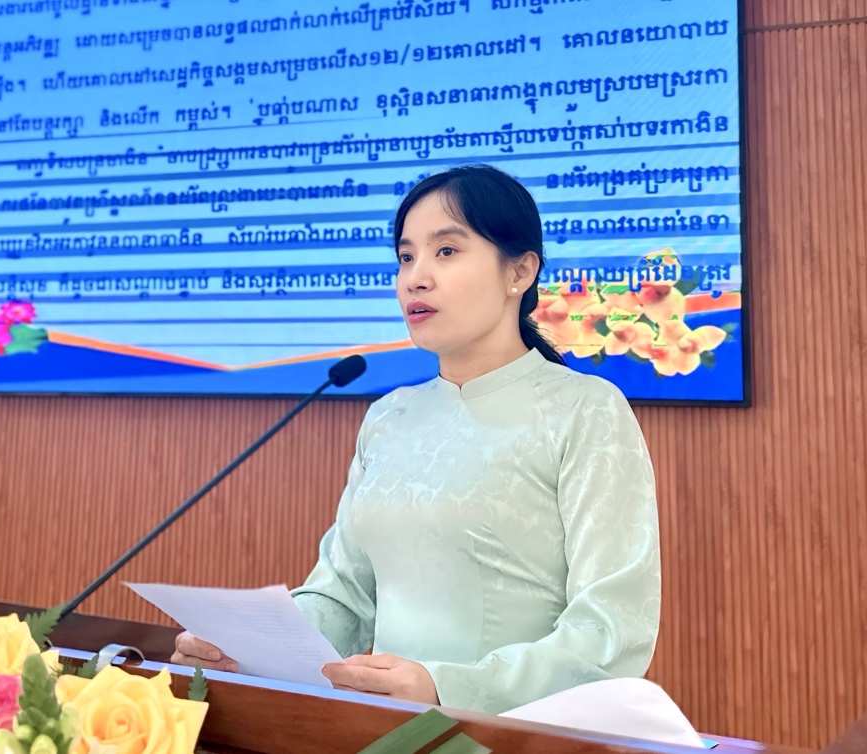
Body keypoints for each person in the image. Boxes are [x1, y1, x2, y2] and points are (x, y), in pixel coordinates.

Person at [172, 164, 661, 714]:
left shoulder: (585, 409)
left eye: (446, 251)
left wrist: (447, 686)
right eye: (406, 257)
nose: (415, 278)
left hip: (515, 733)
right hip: (384, 730)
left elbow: (611, 630)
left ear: (519, 271)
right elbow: (344, 599)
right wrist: (245, 645)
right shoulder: (389, 416)